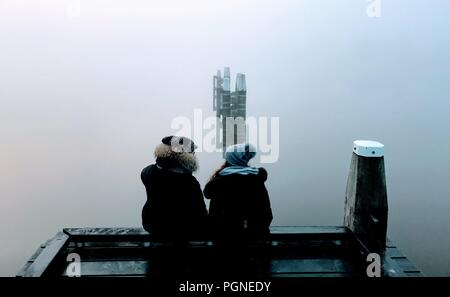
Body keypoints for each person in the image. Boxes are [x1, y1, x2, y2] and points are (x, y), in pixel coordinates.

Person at [141, 136, 207, 241]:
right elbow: (200, 214)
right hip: (182, 231)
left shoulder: (148, 172)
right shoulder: (189, 182)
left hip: (152, 225)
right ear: (186, 157)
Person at [204, 143, 273, 241]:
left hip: (224, 237)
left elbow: (207, 193)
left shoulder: (219, 180)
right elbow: (266, 213)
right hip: (255, 237)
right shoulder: (256, 179)